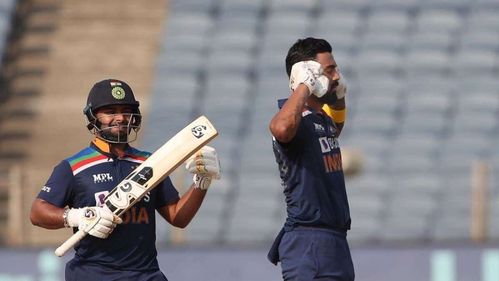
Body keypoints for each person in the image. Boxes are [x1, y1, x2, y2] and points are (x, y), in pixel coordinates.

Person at [30, 79, 221, 281]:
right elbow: (37, 212)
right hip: (94, 274)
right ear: (93, 116)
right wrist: (78, 216)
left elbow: (178, 217)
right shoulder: (74, 167)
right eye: (110, 111)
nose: (120, 118)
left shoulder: (151, 163)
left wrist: (201, 182)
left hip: (146, 275)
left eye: (126, 110)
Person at [267, 37, 354, 281]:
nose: (336, 75)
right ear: (308, 73)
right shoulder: (293, 119)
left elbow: (334, 128)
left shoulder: (320, 119)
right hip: (310, 241)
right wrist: (304, 85)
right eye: (330, 69)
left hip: (334, 241)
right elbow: (280, 128)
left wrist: (339, 95)